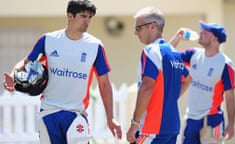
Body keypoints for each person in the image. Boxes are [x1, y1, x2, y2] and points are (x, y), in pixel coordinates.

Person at [3, 0, 122, 143]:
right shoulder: (48, 40)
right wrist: (13, 76)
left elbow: (104, 83)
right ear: (70, 16)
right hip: (48, 113)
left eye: (90, 17)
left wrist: (111, 118)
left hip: (76, 114)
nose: (87, 21)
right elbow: (25, 62)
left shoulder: (95, 46)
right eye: (83, 16)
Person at [126, 6, 192, 144]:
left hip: (151, 127)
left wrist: (134, 123)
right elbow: (188, 78)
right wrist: (170, 96)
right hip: (172, 127)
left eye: (138, 28)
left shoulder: (150, 51)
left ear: (152, 26)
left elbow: (147, 88)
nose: (135, 33)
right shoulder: (175, 54)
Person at [170, 20, 235, 144]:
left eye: (205, 32)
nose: (200, 33)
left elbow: (230, 97)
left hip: (213, 120)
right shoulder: (193, 54)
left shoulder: (225, 64)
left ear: (215, 39)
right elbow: (166, 57)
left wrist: (231, 125)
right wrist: (177, 37)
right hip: (191, 119)